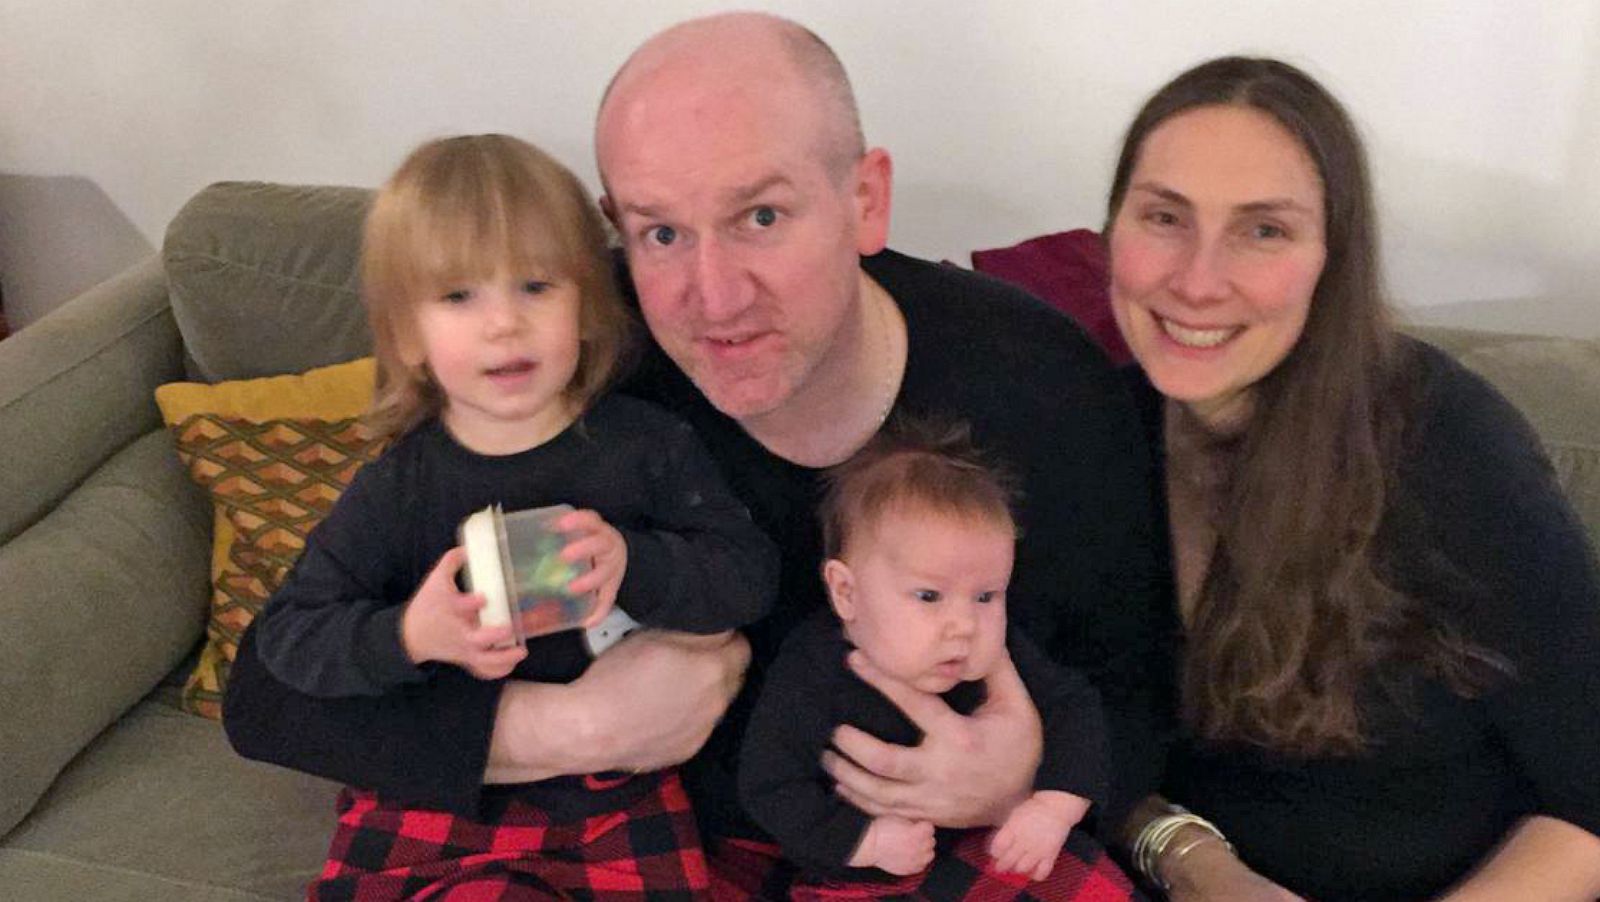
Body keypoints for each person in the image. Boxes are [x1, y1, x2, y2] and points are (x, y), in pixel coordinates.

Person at [224, 13, 1174, 897]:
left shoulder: (1042, 385)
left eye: (761, 216)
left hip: (912, 846)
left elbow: (1141, 684)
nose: (712, 298)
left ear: (865, 199)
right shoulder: (578, 360)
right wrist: (559, 731)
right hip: (635, 844)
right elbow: (269, 698)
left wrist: (1020, 778)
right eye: (661, 232)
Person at [1103, 56, 1600, 901]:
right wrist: (1195, 863)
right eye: (1164, 217)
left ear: (1332, 258)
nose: (1195, 279)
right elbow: (1074, 733)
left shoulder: (1450, 448)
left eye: (1264, 230)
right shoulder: (1088, 426)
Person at [247, 133, 778, 898]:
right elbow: (290, 637)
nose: (504, 324)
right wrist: (408, 635)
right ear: (406, 334)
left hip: (619, 800)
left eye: (535, 287)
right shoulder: (398, 486)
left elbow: (746, 577)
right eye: (460, 296)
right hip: (440, 802)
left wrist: (636, 563)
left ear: (590, 306)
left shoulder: (648, 446)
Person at [739, 421, 1133, 900]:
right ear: (846, 592)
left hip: (997, 846)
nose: (964, 625)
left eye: (986, 596)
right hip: (862, 878)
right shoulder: (812, 670)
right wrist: (862, 843)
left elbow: (1076, 709)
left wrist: (1052, 808)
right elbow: (770, 785)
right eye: (929, 595)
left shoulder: (995, 655)